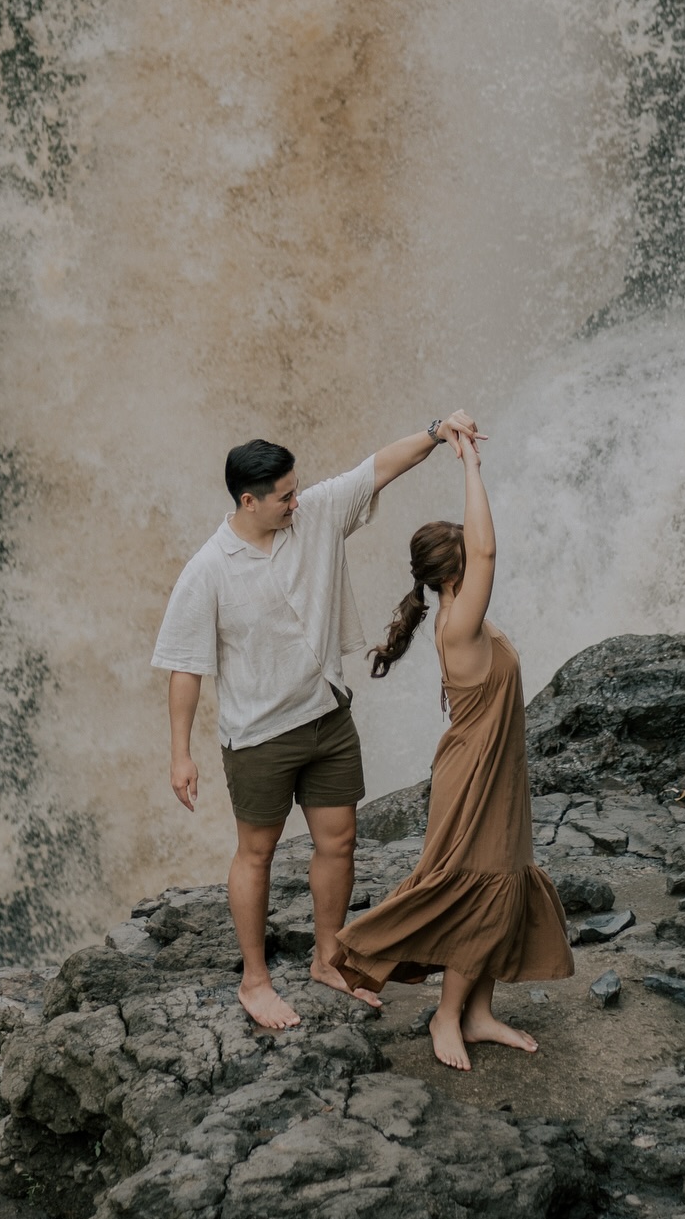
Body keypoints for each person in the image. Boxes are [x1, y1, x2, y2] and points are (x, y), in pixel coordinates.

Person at [154, 413, 481, 1031]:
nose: (295, 501)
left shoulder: (316, 514)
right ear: (248, 502)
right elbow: (184, 669)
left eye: (297, 489)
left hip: (327, 718)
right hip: (257, 738)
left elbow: (378, 468)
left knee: (339, 841)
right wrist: (181, 754)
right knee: (258, 854)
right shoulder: (208, 570)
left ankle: (328, 955)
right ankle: (255, 980)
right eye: (284, 496)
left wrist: (438, 433)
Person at [334, 429, 573, 1071]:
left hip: (494, 769)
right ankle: (446, 1014)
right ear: (454, 575)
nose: (479, 559)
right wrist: (468, 461)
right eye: (468, 558)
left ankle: (478, 1012)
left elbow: (481, 553)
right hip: (474, 774)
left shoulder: (458, 615)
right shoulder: (460, 624)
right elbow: (488, 548)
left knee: (502, 884)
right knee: (482, 888)